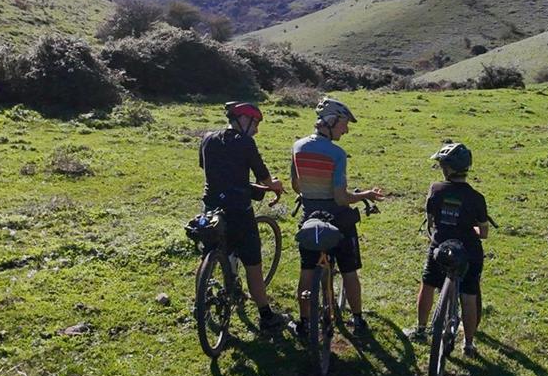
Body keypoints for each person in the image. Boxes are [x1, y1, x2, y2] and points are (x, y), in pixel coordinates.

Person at [291, 97, 384, 337]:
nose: (347, 128)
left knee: (307, 269)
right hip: (337, 220)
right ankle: (358, 320)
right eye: (344, 123)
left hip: (311, 218)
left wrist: (312, 193)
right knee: (349, 270)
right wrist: (366, 195)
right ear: (331, 121)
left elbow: (295, 185)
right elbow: (341, 198)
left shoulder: (297, 147)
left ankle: (303, 322)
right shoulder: (337, 154)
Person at [198, 101, 285, 331]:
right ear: (243, 120)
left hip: (211, 208)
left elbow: (209, 169)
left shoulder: (208, 138)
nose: (256, 129)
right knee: (253, 264)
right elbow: (264, 178)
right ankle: (266, 315)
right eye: (255, 123)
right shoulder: (246, 143)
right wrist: (275, 185)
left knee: (209, 250)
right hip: (239, 211)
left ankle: (201, 300)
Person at [404, 143, 490, 356]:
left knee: (428, 284)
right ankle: (468, 345)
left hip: (440, 247)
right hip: (469, 250)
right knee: (469, 295)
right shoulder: (477, 198)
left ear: (448, 169)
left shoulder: (436, 189)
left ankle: (421, 329)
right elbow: (484, 232)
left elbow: (431, 221)